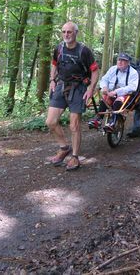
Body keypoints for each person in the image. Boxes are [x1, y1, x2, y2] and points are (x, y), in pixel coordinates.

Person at [46, 22, 99, 171]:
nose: (66, 35)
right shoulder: (59, 48)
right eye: (63, 32)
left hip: (79, 87)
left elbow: (95, 70)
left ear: (76, 33)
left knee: (74, 125)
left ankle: (75, 157)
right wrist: (52, 80)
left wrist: (91, 88)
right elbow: (54, 64)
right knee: (50, 121)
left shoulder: (84, 51)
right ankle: (64, 148)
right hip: (61, 85)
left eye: (69, 32)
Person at [88, 53, 139, 132]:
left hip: (125, 95)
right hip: (110, 93)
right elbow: (104, 79)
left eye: (123, 60)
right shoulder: (113, 69)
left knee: (119, 100)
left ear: (128, 63)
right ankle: (98, 120)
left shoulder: (133, 73)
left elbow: (132, 87)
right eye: (119, 60)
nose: (120, 62)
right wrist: (104, 87)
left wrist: (116, 92)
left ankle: (112, 122)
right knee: (104, 98)